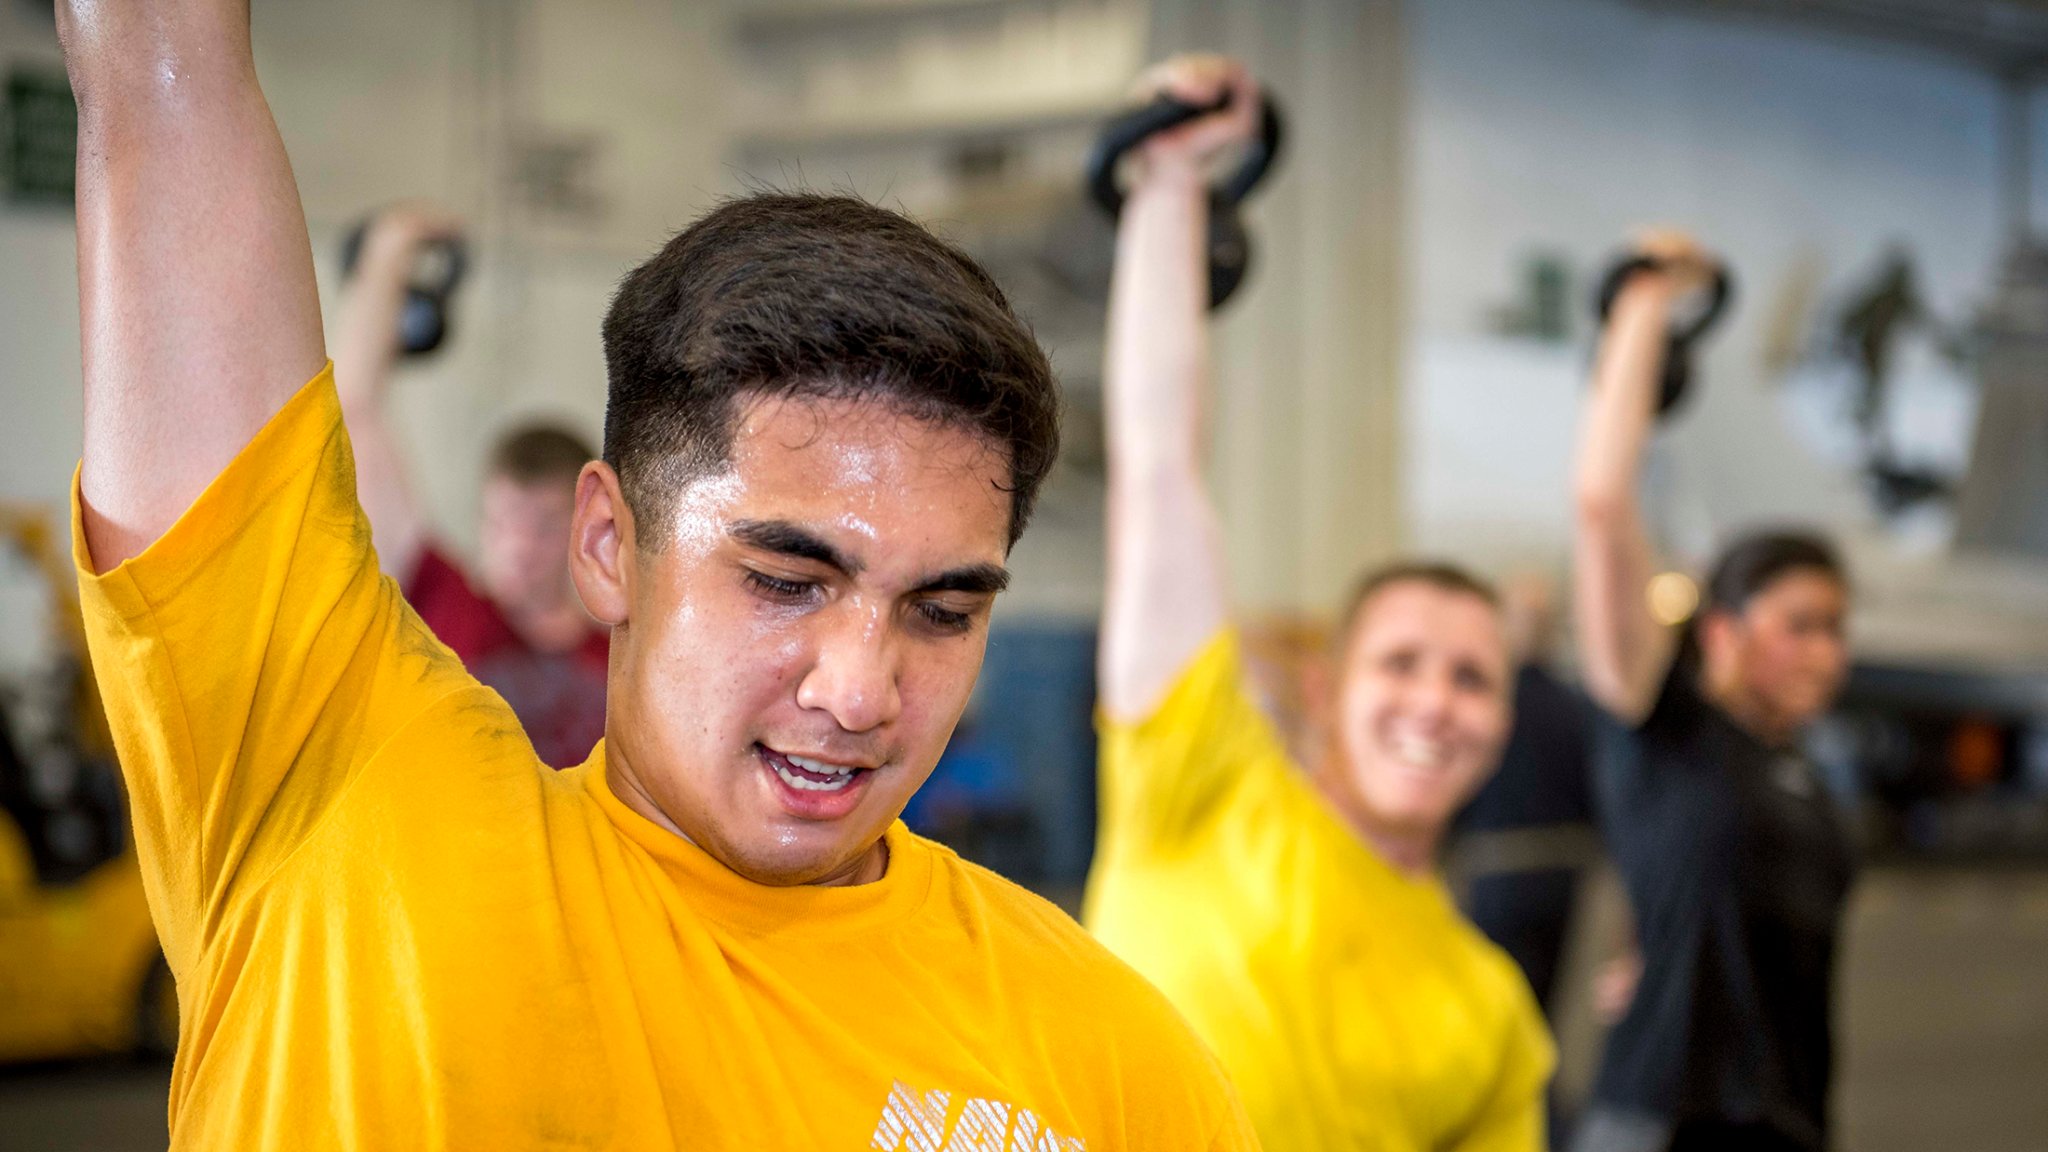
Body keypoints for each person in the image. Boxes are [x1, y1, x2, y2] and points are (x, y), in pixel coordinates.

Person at [58, 3, 1258, 1147]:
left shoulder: (1110, 1062)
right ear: (606, 546)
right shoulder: (331, 809)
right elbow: (162, 87)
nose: (859, 692)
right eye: (786, 580)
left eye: (940, 611)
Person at [1081, 54, 1553, 1152]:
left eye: (1470, 677)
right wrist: (1167, 189)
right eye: (1400, 664)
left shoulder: (1490, 1012)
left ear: (1502, 723)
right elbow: (1157, 466)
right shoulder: (1197, 781)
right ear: (1322, 687)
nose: (1433, 702)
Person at [1571, 232, 1856, 1152]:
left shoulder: (1804, 771)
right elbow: (1602, 505)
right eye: (1800, 624)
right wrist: (1646, 300)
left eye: (1836, 630)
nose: (1825, 653)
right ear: (1724, 631)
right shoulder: (1665, 723)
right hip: (1664, 1121)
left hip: (1786, 1121)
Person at [334, 205, 606, 768]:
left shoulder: (623, 659)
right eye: (503, 522)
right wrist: (391, 248)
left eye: (543, 525)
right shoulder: (446, 602)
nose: (518, 546)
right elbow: (353, 411)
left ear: (587, 531)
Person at [1453, 572, 1602, 1020]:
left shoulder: (1495, 702)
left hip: (1503, 873)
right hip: (1554, 873)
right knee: (1534, 1006)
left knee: (1501, 1004)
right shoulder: (1576, 704)